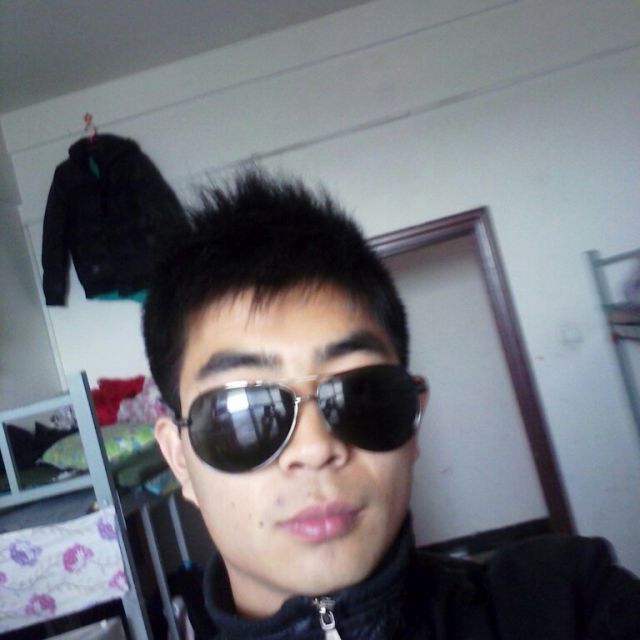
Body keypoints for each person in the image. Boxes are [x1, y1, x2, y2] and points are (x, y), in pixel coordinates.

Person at [143, 170, 640, 639]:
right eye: (242, 411)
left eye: (361, 393)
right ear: (179, 459)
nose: (314, 449)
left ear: (413, 421)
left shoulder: (566, 600)